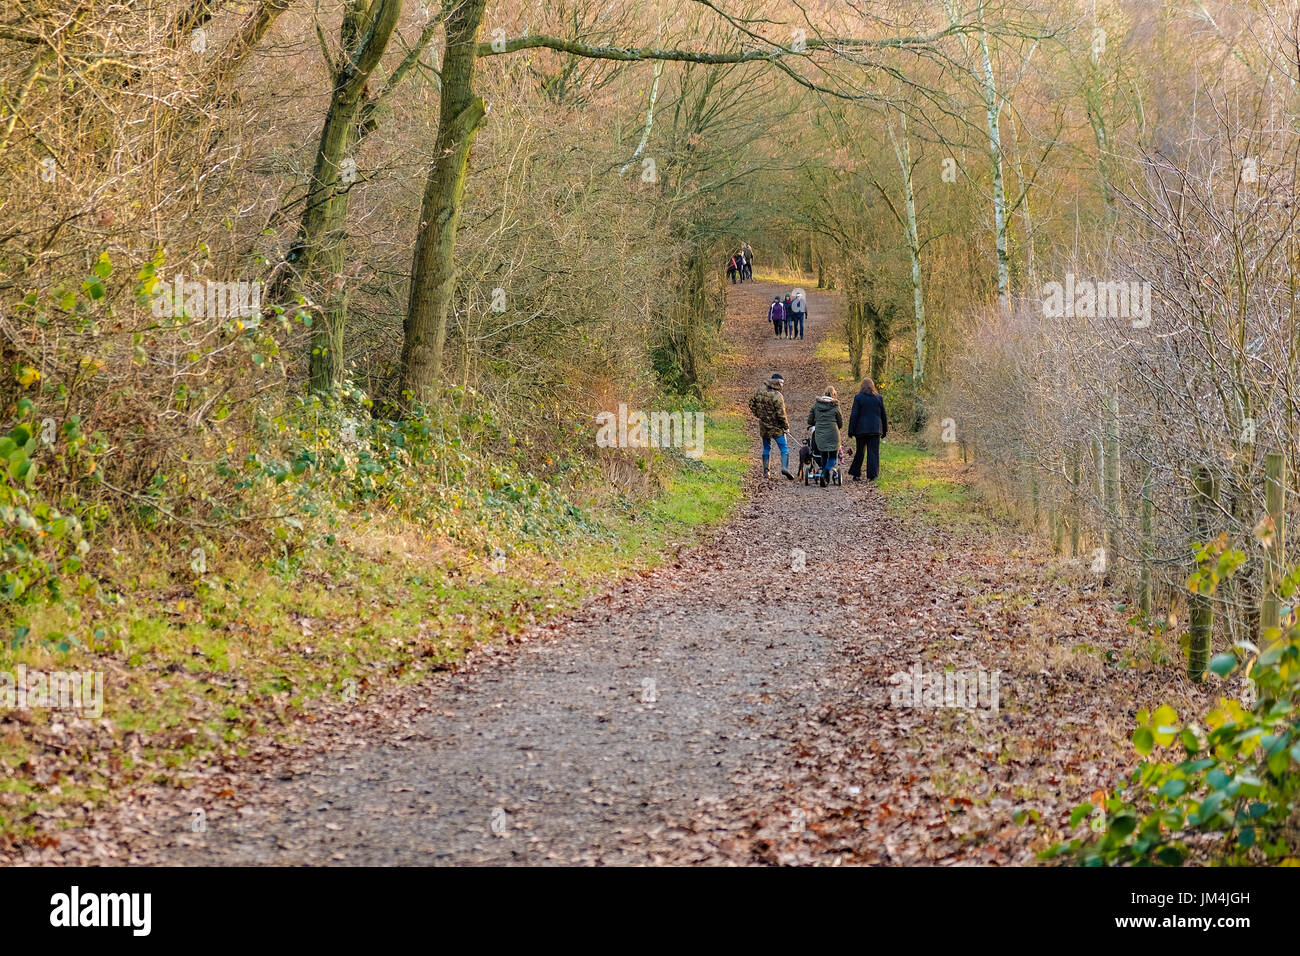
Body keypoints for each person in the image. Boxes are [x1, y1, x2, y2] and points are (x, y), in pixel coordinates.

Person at [748, 373, 794, 480]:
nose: (782, 385)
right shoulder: (777, 396)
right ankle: (784, 468)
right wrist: (786, 427)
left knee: (766, 448)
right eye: (781, 382)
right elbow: (781, 414)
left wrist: (759, 415)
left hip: (764, 426)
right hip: (777, 427)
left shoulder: (759, 391)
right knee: (784, 448)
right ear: (776, 382)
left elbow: (751, 403)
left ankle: (766, 471)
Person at [847, 377, 888, 481]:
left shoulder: (858, 398)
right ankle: (872, 475)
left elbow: (854, 415)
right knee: (873, 452)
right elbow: (883, 415)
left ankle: (856, 474)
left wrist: (851, 430)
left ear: (862, 386)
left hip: (861, 430)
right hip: (875, 429)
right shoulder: (878, 398)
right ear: (873, 386)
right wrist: (885, 430)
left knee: (860, 452)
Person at [807, 385, 843, 487]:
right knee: (833, 456)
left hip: (820, 433)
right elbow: (840, 423)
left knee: (823, 454)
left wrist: (817, 422)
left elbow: (810, 420)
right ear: (834, 394)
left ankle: (824, 474)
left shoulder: (816, 405)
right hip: (833, 433)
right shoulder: (835, 406)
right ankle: (825, 472)